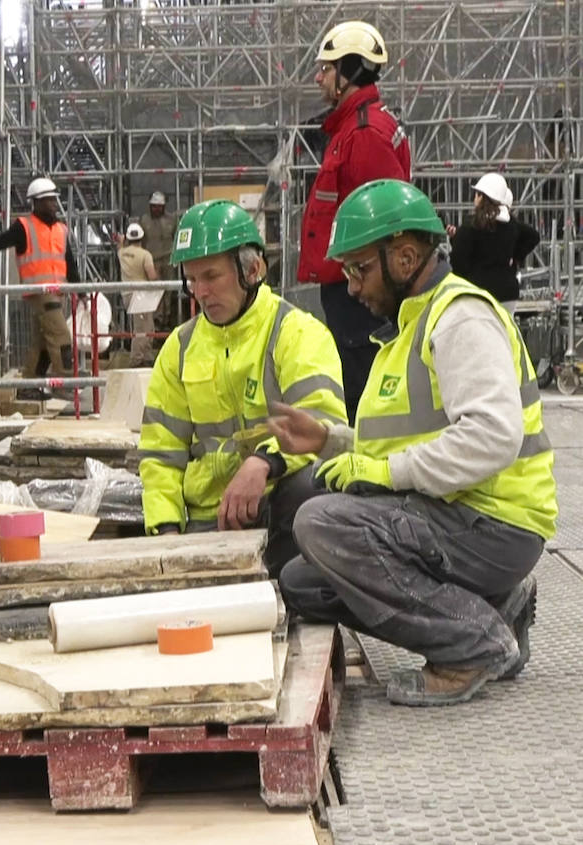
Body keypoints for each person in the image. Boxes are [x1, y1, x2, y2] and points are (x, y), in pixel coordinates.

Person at [272, 179, 556, 707]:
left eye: (359, 268)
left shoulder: (459, 318)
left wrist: (384, 474)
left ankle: (471, 645)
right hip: (458, 516)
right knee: (302, 581)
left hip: (494, 522)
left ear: (404, 256)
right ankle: (496, 606)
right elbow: (410, 438)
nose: (352, 286)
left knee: (321, 521)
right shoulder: (408, 327)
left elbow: (492, 436)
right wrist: (334, 441)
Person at [139, 200, 346, 575]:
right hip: (209, 519)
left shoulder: (296, 332)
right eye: (192, 279)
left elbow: (321, 422)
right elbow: (160, 453)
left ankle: (295, 584)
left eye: (211, 276)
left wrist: (262, 462)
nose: (200, 291)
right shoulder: (180, 347)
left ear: (252, 270)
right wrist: (166, 534)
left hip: (278, 508)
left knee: (314, 484)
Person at [297, 20, 411, 420]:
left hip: (359, 291)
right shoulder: (357, 127)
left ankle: (366, 474)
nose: (319, 77)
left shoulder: (363, 134)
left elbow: (383, 227)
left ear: (349, 71)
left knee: (362, 393)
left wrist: (363, 281)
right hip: (352, 283)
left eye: (326, 68)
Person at [0, 178, 79, 387]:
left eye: (54, 200)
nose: (54, 204)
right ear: (36, 203)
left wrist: (81, 292)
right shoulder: (24, 226)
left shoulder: (61, 229)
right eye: (48, 200)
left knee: (42, 344)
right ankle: (66, 384)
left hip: (58, 293)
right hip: (40, 293)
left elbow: (69, 263)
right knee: (61, 337)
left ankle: (29, 384)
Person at [448, 173, 541, 310]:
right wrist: (515, 258)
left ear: (480, 196)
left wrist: (456, 241)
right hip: (508, 293)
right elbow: (533, 236)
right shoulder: (510, 224)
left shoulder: (471, 225)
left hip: (478, 294)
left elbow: (458, 262)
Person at [116, 221, 158, 367]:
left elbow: (120, 247)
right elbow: (152, 276)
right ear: (142, 237)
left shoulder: (122, 253)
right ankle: (136, 359)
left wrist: (121, 242)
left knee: (147, 326)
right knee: (142, 328)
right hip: (141, 295)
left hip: (127, 294)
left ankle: (147, 356)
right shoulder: (145, 255)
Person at [139, 191, 179, 328]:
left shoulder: (172, 220)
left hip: (168, 260)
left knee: (168, 291)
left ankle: (166, 320)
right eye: (154, 206)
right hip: (152, 261)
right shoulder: (144, 220)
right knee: (155, 291)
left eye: (159, 206)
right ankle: (156, 321)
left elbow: (177, 238)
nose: (157, 209)